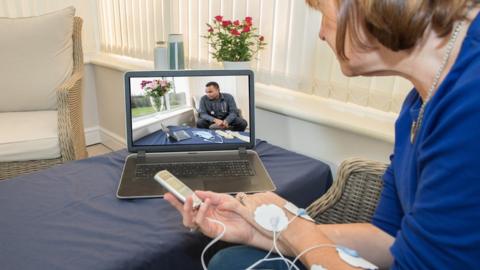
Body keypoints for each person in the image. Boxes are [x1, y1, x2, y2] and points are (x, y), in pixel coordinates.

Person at [165, 0, 480, 269]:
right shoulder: (417, 104)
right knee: (231, 258)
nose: (321, 33)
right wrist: (258, 233)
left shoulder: (470, 107)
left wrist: (293, 225)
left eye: (323, 12)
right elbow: (388, 237)